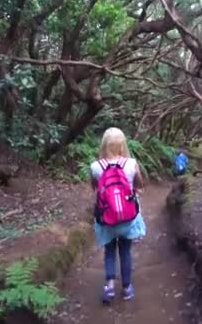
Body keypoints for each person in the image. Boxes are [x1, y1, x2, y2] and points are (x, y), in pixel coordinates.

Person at [90, 127, 146, 304]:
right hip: (128, 218)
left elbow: (95, 188)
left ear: (104, 145)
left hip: (107, 219)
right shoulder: (131, 163)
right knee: (125, 251)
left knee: (109, 251)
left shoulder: (95, 167)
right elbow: (139, 184)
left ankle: (109, 287)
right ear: (122, 144)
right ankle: (127, 288)